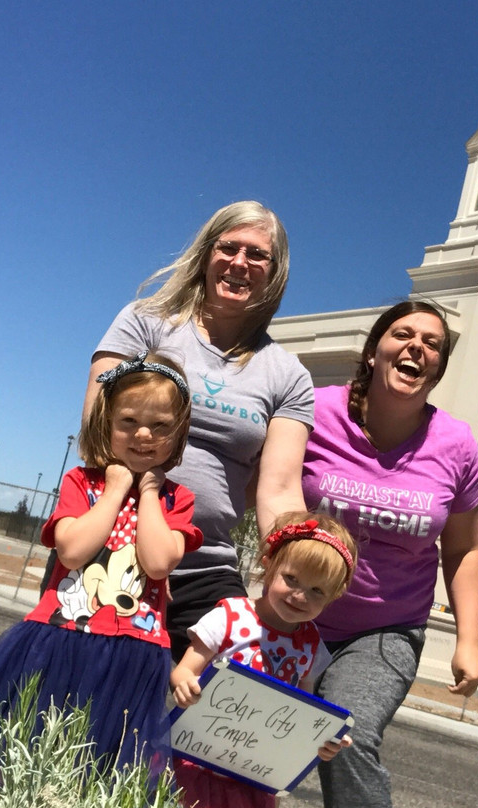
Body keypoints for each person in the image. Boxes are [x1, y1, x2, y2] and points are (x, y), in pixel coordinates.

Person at [0, 352, 202, 775]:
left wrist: (146, 492)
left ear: (177, 435)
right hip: (60, 638)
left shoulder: (176, 499)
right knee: (28, 756)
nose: (144, 434)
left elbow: (158, 562)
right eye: (129, 422)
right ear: (106, 424)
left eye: (160, 426)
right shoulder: (80, 483)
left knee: (98, 769)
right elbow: (71, 550)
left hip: (134, 654)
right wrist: (116, 486)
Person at [86, 201, 313, 660]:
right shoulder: (144, 324)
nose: (240, 263)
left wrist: (305, 560)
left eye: (257, 255)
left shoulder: (289, 376)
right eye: (228, 247)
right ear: (207, 253)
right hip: (115, 543)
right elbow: (100, 433)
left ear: (275, 271)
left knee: (237, 693)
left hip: (208, 564)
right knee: (89, 705)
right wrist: (149, 539)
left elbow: (282, 490)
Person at [302, 300, 478, 808]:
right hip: (295, 613)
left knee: (347, 737)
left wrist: (468, 640)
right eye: (403, 334)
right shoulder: (316, 410)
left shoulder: (457, 444)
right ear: (373, 351)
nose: (417, 348)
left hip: (386, 628)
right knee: (250, 735)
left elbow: (465, 548)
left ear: (439, 368)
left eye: (432, 344)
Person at [170, 513, 358, 808]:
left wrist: (322, 740)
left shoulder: (311, 645)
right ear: (269, 564)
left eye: (317, 591)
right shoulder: (229, 617)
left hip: (254, 778)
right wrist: (184, 686)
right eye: (292, 578)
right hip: (196, 763)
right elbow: (184, 671)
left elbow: (302, 713)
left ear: (334, 595)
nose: (299, 595)